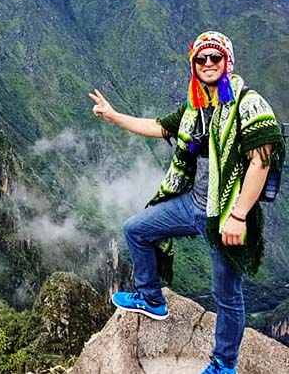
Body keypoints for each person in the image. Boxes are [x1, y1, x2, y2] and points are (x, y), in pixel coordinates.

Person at [88, 31, 284, 374]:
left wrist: (238, 216)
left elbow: (261, 160)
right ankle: (151, 298)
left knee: (226, 293)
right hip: (192, 204)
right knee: (136, 229)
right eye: (201, 59)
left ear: (228, 62)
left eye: (215, 58)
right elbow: (159, 127)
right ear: (193, 65)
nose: (208, 64)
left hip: (224, 214)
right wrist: (113, 115)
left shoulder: (248, 103)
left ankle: (224, 363)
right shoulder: (196, 107)